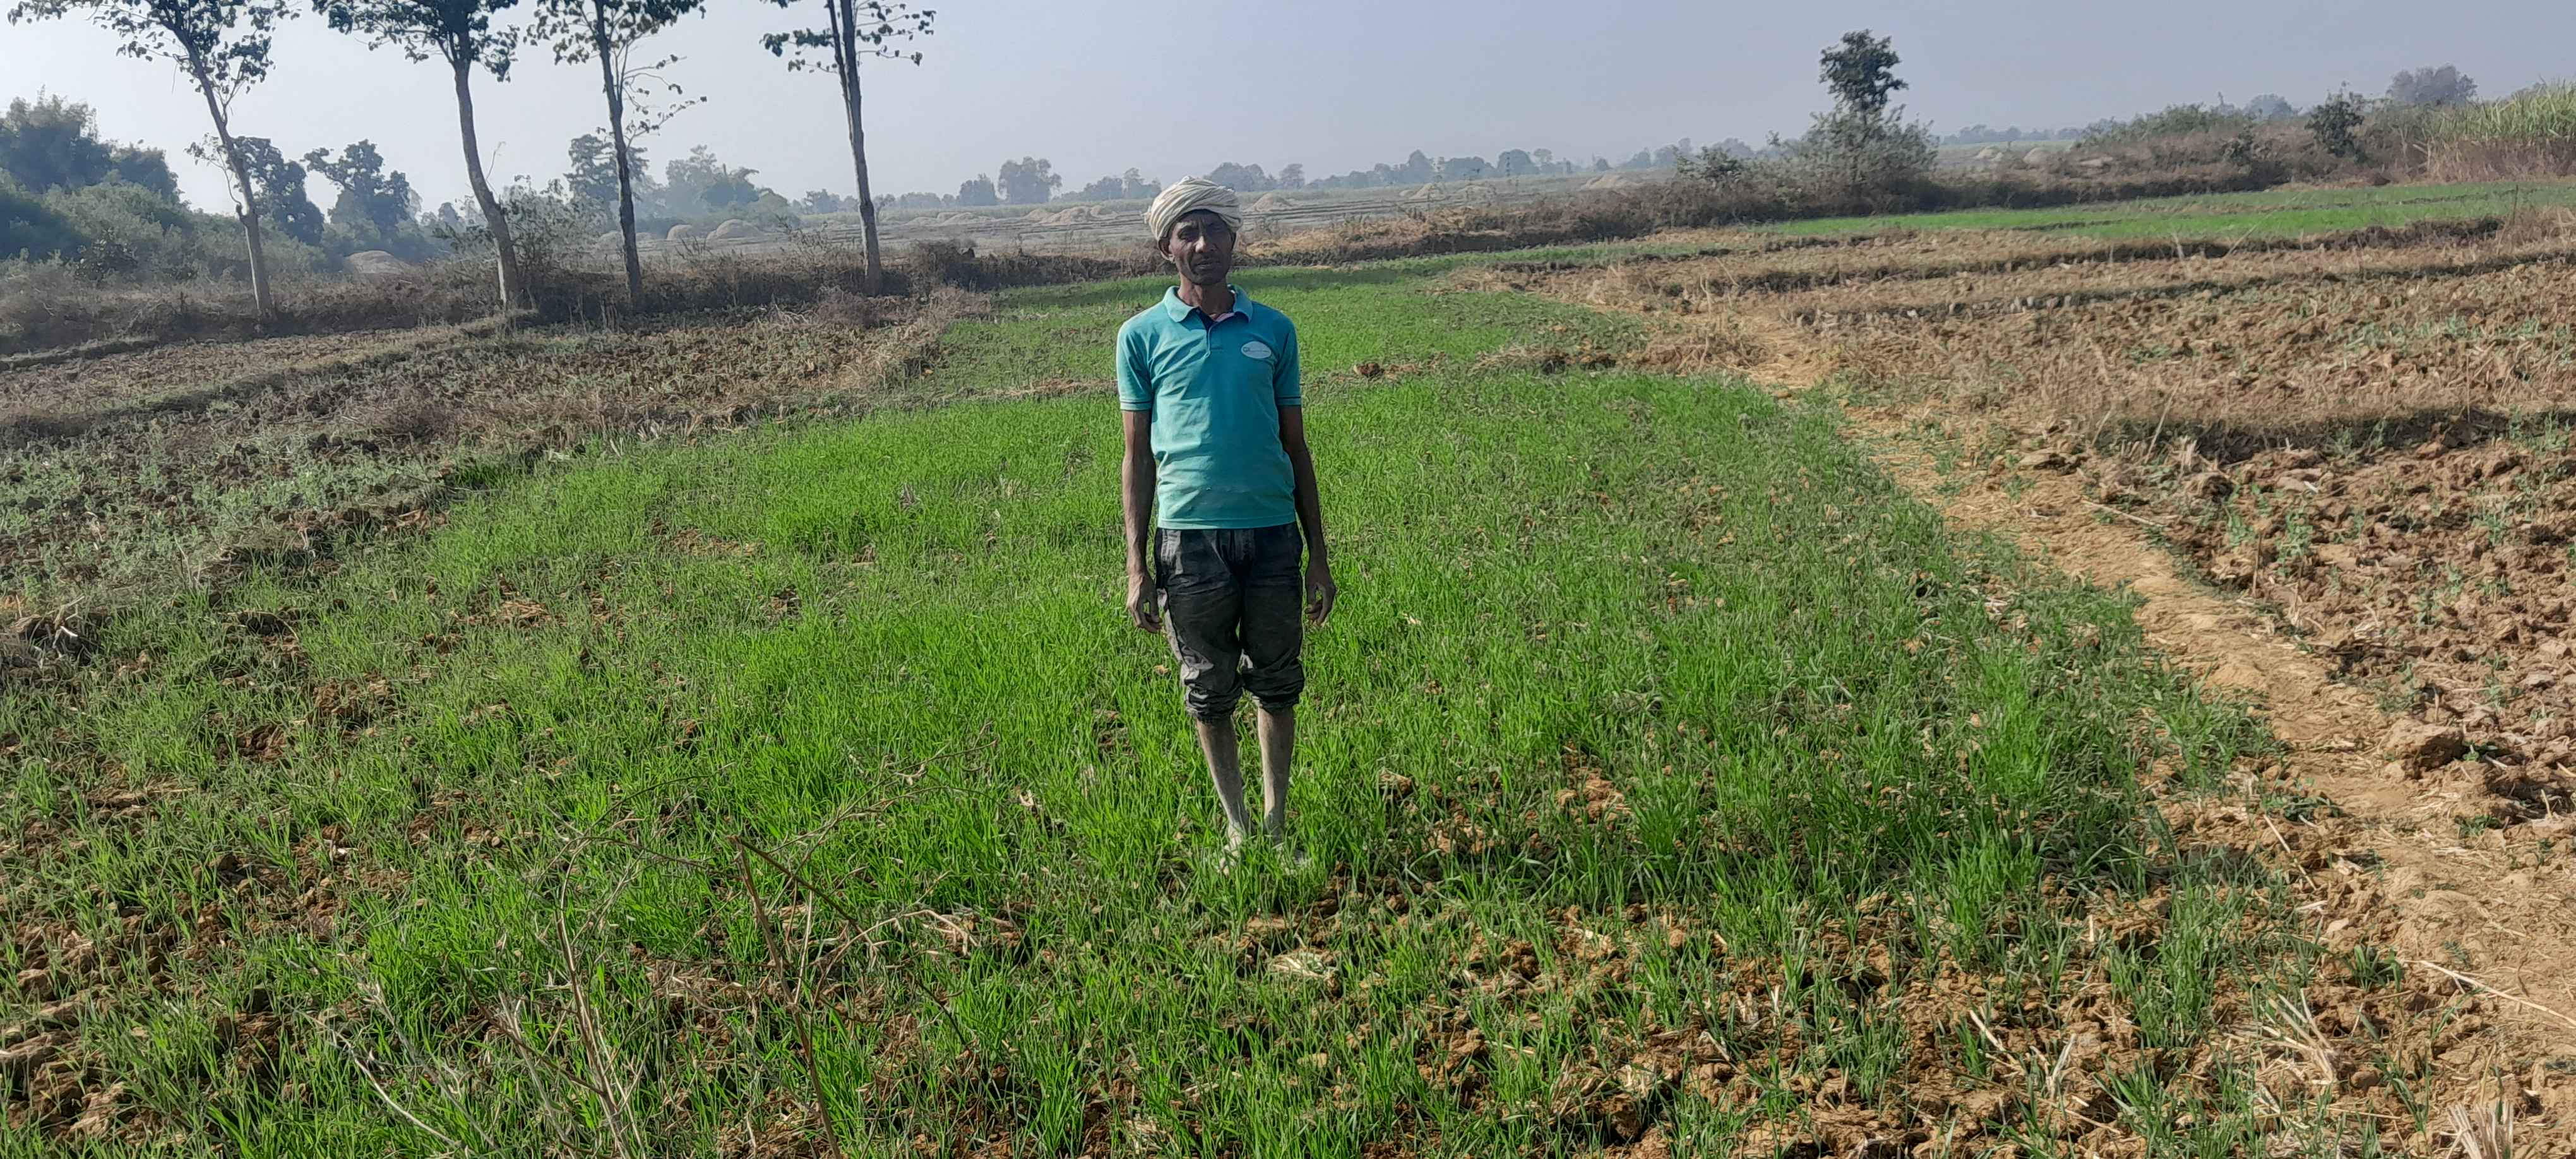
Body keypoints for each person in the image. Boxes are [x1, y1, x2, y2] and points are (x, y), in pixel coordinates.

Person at [1118, 177, 1337, 855]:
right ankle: (1238, 832)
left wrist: (1319, 555)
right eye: (1187, 232)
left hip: (1272, 538)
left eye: (1214, 229)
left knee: (1278, 685)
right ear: (1166, 248)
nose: (1203, 244)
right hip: (1189, 543)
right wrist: (1135, 565)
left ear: (1235, 240)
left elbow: (1296, 446)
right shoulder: (1141, 336)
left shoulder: (1274, 330)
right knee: (1208, 693)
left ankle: (1276, 827)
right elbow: (1136, 457)